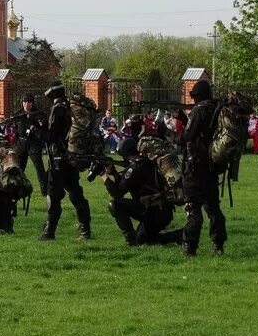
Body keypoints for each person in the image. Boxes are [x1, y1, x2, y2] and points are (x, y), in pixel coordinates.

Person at [99, 137, 182, 246]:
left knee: (114, 204)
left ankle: (130, 237)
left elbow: (117, 193)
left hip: (152, 210)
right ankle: (180, 235)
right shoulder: (146, 163)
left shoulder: (135, 168)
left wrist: (103, 175)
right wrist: (114, 173)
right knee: (144, 240)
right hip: (162, 211)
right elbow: (126, 185)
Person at [39, 80, 92, 241]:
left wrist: (38, 129)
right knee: (75, 192)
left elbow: (52, 136)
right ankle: (85, 230)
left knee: (53, 195)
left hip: (58, 158)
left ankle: (49, 231)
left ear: (52, 94)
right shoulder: (71, 107)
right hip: (72, 156)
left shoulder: (58, 109)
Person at [181, 80, 227, 256]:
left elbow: (188, 136)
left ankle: (189, 247)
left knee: (193, 209)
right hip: (212, 167)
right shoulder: (218, 109)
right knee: (213, 208)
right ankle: (218, 244)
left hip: (195, 167)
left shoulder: (199, 110)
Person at [13, 93, 48, 196]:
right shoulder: (18, 114)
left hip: (33, 144)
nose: (26, 104)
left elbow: (43, 129)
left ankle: (45, 191)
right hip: (21, 143)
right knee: (19, 169)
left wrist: (35, 126)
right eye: (24, 102)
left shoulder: (38, 114)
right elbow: (15, 131)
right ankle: (17, 190)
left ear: (32, 103)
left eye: (28, 102)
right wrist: (15, 144)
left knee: (39, 168)